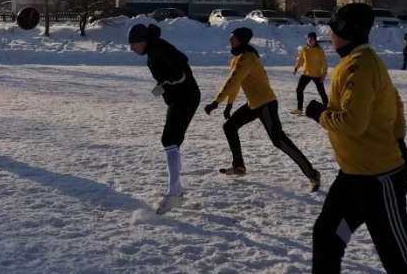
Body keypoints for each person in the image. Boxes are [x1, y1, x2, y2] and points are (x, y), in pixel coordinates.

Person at [304, 3, 407, 274]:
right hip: (351, 179)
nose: (329, 32)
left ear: (346, 31)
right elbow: (395, 106)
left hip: (378, 180)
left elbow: (353, 123)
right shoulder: (356, 63)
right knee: (327, 236)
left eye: (334, 27)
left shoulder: (361, 66)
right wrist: (404, 150)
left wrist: (319, 114)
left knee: (400, 261)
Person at [204, 27, 321, 191]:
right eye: (230, 38)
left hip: (265, 102)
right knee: (229, 126)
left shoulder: (247, 58)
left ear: (242, 40)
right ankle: (239, 166)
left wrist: (216, 102)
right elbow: (237, 82)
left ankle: (312, 174)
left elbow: (233, 79)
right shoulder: (238, 58)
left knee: (279, 140)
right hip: (254, 103)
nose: (230, 41)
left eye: (233, 38)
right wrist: (229, 104)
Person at [128, 23, 201, 215]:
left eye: (134, 44)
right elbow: (177, 66)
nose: (132, 48)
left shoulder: (157, 49)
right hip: (182, 97)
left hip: (186, 97)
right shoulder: (155, 48)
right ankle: (177, 192)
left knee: (169, 140)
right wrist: (164, 85)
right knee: (172, 141)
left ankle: (175, 193)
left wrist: (166, 82)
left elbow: (179, 71)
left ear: (143, 41)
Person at [290, 32, 328, 115]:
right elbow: (300, 60)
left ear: (315, 40)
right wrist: (296, 68)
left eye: (312, 39)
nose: (310, 41)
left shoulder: (319, 50)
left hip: (317, 75)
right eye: (309, 39)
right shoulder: (304, 49)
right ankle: (299, 109)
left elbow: (324, 63)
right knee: (299, 89)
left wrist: (324, 74)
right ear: (307, 40)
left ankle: (328, 108)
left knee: (322, 92)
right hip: (306, 73)